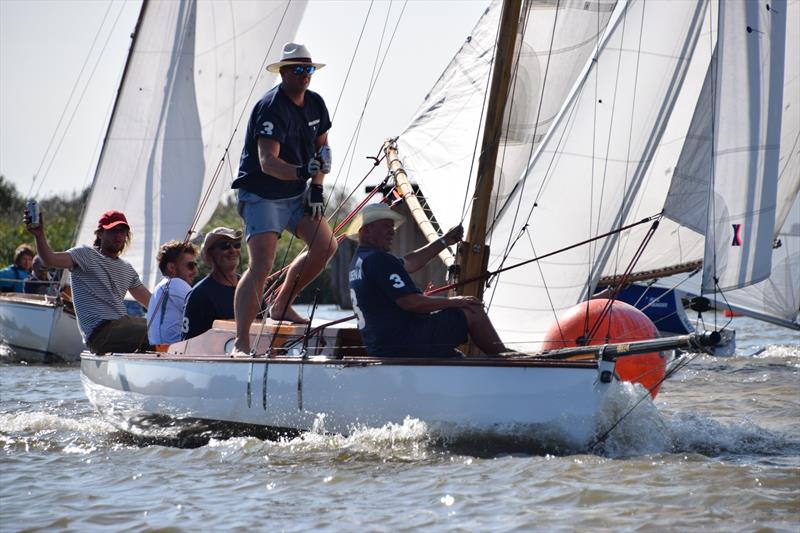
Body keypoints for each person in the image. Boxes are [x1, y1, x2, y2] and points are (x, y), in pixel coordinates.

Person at [231, 41, 338, 355]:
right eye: (297, 70)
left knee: (325, 245)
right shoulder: (271, 107)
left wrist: (316, 188)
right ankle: (241, 342)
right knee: (261, 264)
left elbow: (323, 149)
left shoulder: (316, 104)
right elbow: (268, 162)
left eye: (308, 70)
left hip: (296, 192)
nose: (304, 75)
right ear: (284, 73)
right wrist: (305, 171)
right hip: (262, 194)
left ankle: (281, 305)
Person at [347, 204, 511, 357]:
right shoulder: (379, 260)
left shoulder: (360, 261)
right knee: (472, 309)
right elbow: (411, 303)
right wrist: (455, 302)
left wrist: (445, 240)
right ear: (367, 230)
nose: (392, 231)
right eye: (386, 226)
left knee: (456, 357)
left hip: (382, 345)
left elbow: (409, 262)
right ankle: (509, 364)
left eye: (392, 227)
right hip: (403, 342)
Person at [25, 209, 152, 354]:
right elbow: (49, 259)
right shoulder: (85, 254)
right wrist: (39, 235)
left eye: (122, 231)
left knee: (161, 329)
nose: (118, 235)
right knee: (154, 330)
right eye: (112, 230)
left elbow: (152, 303)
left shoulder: (127, 269)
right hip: (100, 334)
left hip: (122, 328)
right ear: (100, 233)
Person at [182, 227, 242, 340]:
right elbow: (188, 342)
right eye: (225, 246)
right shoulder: (199, 295)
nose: (233, 250)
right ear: (210, 254)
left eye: (237, 244)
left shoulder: (250, 287)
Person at [146, 240, 199, 345]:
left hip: (164, 352)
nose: (196, 271)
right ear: (171, 268)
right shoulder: (175, 284)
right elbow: (208, 313)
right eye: (191, 266)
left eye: (196, 266)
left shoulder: (163, 286)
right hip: (171, 353)